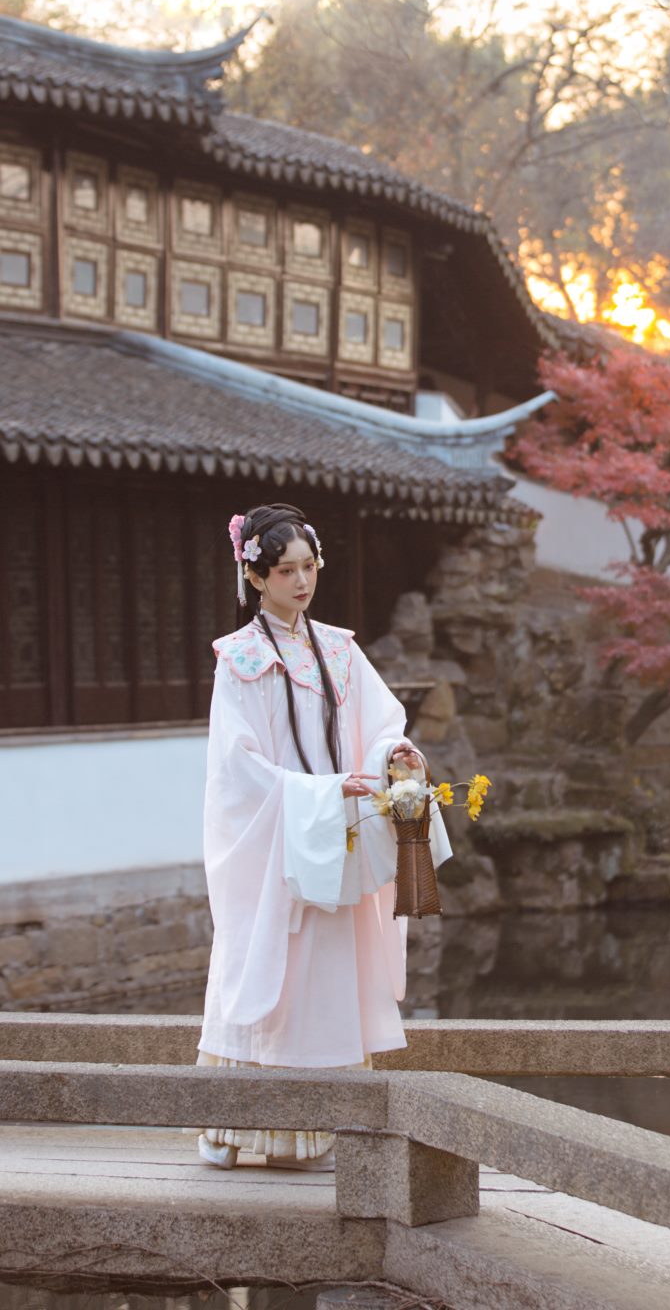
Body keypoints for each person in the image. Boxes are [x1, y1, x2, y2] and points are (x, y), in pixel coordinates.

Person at [195, 500, 450, 1170]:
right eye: (286, 571)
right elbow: (237, 768)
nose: (302, 581)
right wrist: (319, 792)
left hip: (333, 837)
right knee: (266, 972)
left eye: (309, 566)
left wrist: (394, 757)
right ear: (256, 577)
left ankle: (313, 1133)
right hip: (278, 846)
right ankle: (236, 1129)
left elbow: (381, 723)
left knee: (327, 980)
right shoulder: (239, 659)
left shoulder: (339, 649)